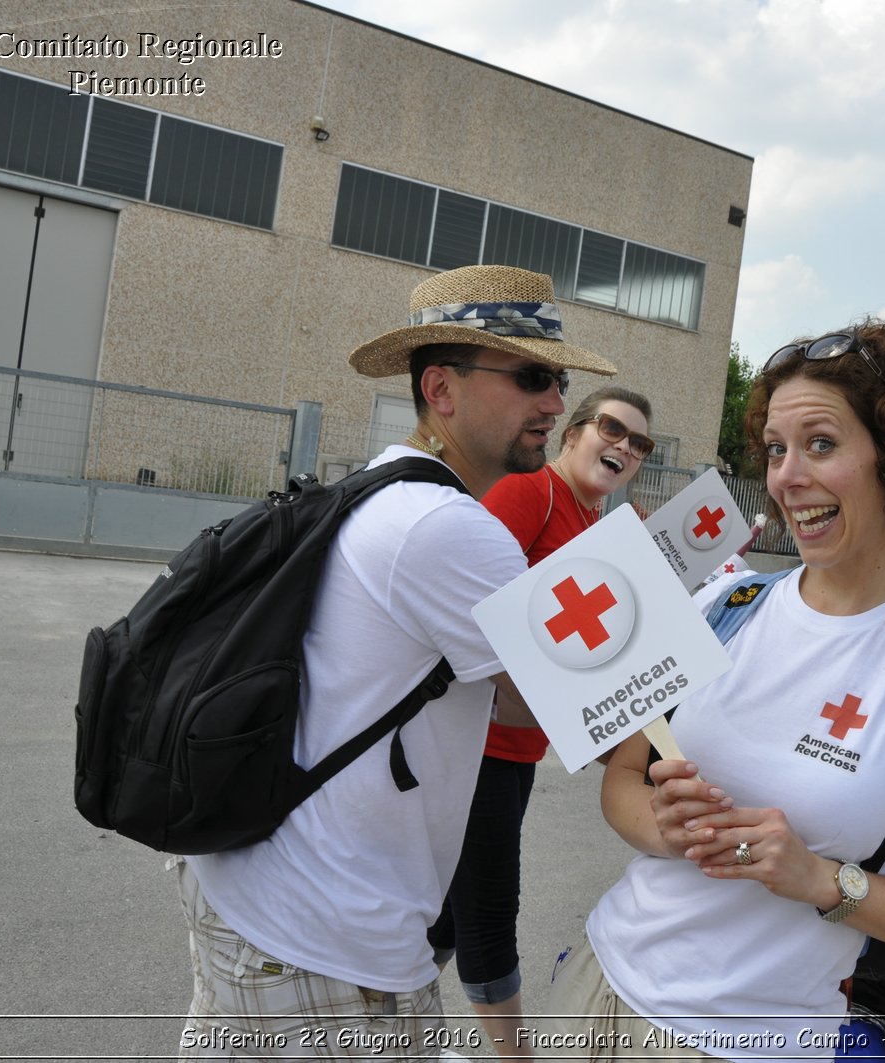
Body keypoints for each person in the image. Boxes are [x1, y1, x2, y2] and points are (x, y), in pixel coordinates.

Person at [548, 322, 885, 1060]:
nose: (786, 476)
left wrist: (824, 880)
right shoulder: (723, 605)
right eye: (776, 448)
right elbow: (621, 781)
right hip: (599, 991)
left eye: (821, 444)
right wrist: (664, 826)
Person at [173, 264, 616, 1057]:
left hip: (249, 889)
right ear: (441, 390)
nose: (555, 401)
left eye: (559, 377)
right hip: (327, 934)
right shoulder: (452, 526)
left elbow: (504, 698)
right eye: (531, 375)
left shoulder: (381, 485)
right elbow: (573, 700)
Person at [427, 386, 653, 1051]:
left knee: (444, 918)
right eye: (613, 428)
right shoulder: (531, 495)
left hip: (520, 749)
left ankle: (375, 1025)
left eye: (640, 442)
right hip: (480, 747)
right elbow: (469, 606)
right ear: (573, 433)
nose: (625, 447)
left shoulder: (597, 526)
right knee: (489, 915)